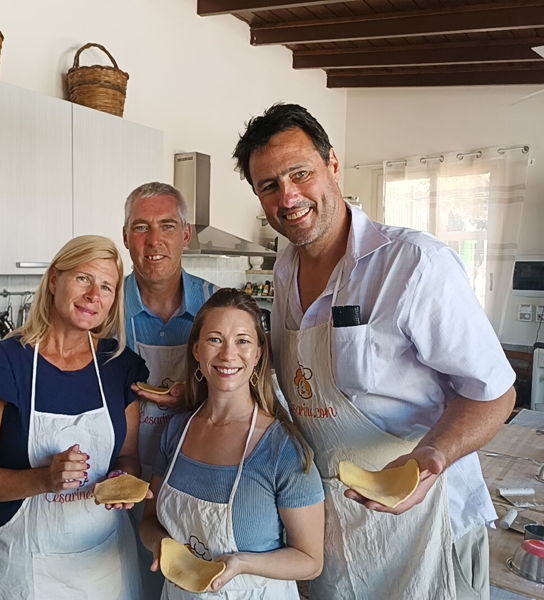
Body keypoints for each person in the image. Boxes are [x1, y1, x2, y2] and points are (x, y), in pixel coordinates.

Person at [233, 103, 517, 599]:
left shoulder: (412, 265)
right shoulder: (281, 270)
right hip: (334, 518)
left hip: (425, 512)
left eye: (300, 173)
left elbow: (494, 393)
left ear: (333, 165)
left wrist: (432, 456)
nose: (289, 196)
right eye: (269, 186)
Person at [0, 235, 148, 600]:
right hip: (24, 569)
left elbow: (128, 458)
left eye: (106, 287)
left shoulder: (118, 365)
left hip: (105, 566)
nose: (95, 295)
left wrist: (124, 479)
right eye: (83, 278)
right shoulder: (6, 364)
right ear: (55, 280)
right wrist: (44, 479)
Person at [140, 288, 325, 599]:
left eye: (242, 341)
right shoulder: (176, 430)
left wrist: (242, 563)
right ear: (196, 350)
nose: (228, 354)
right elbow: (148, 521)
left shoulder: (283, 450)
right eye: (215, 339)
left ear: (258, 354)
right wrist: (161, 545)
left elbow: (310, 561)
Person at [122, 181, 217, 596]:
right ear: (126, 237)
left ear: (185, 234)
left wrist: (194, 394)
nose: (154, 240)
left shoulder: (216, 307)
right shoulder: (103, 308)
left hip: (195, 485)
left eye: (166, 225)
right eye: (141, 227)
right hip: (119, 485)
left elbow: (251, 396)